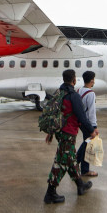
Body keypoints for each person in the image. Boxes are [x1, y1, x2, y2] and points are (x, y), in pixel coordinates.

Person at [44, 69, 97, 204]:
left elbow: (54, 114)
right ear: (74, 80)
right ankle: (50, 192)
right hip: (69, 133)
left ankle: (80, 185)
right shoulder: (73, 96)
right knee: (61, 162)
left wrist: (50, 133)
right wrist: (91, 131)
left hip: (60, 132)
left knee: (71, 160)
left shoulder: (58, 93)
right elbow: (82, 117)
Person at [76, 71, 99, 177]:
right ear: (91, 80)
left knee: (86, 142)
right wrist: (94, 127)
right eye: (93, 79)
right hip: (87, 123)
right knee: (88, 144)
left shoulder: (79, 90)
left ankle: (75, 161)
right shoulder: (91, 93)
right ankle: (85, 170)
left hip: (80, 121)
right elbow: (91, 112)